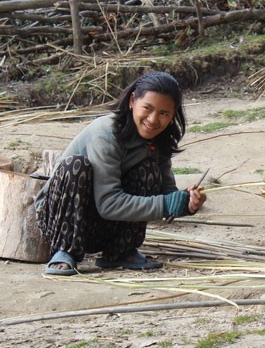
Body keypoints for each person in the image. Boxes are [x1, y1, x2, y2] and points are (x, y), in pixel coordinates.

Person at [35, 71, 206, 276]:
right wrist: (168, 204)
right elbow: (108, 203)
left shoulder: (158, 140)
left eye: (164, 113)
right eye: (147, 108)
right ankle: (64, 251)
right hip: (62, 221)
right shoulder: (106, 132)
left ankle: (121, 250)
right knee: (76, 166)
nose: (153, 120)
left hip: (103, 226)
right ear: (133, 101)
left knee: (147, 170)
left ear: (172, 115)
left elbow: (166, 193)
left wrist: (187, 202)